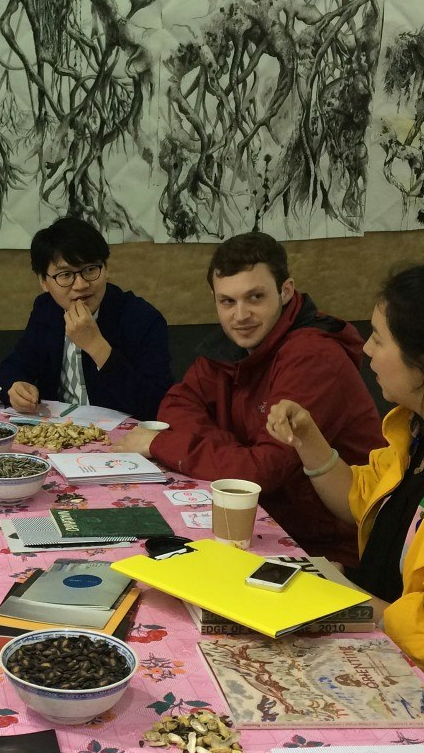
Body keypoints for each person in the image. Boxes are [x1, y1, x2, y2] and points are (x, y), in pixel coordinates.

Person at [266, 247, 424, 726]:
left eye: (379, 339)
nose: (365, 350)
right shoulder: (420, 429)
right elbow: (362, 501)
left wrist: (340, 594)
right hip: (373, 652)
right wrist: (309, 440)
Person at [121, 232, 382, 567]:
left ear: (286, 291)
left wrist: (162, 444)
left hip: (332, 549)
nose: (240, 315)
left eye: (255, 297)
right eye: (227, 302)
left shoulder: (312, 356)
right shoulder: (236, 342)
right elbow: (178, 403)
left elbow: (259, 474)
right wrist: (237, 456)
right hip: (264, 526)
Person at [0, 217, 172, 420]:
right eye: (65, 275)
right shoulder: (47, 309)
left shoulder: (142, 319)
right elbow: (14, 366)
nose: (80, 285)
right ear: (43, 281)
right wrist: (16, 387)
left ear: (106, 268)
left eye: (90, 269)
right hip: (58, 433)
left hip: (121, 440)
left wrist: (97, 347)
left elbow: (156, 404)